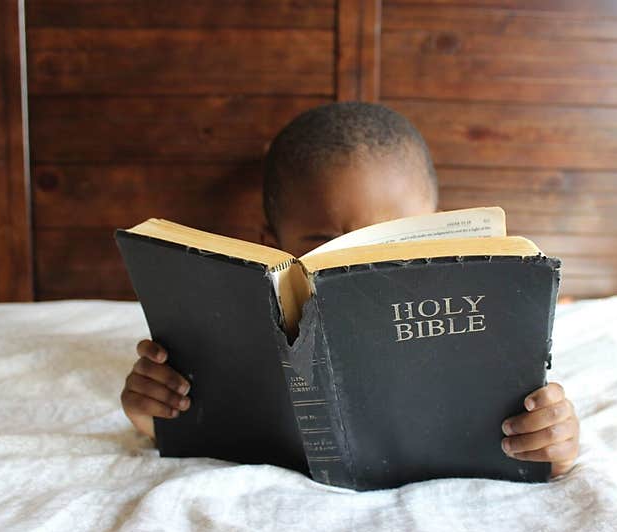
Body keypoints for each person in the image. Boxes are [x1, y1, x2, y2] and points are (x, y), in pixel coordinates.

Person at [120, 102, 580, 478]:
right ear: (271, 244)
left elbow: (540, 439)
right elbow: (199, 424)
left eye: (397, 238)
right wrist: (157, 413)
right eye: (327, 245)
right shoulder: (238, 333)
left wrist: (550, 442)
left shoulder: (482, 318)